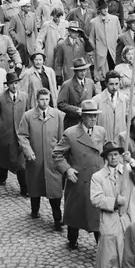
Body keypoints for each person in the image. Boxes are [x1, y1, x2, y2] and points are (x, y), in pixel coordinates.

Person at [89, 141, 135, 268]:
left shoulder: (128, 170)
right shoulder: (98, 177)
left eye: (116, 154)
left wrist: (132, 162)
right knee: (109, 255)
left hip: (130, 217)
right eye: (110, 155)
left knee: (130, 256)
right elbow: (95, 198)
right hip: (110, 220)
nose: (114, 157)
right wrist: (115, 201)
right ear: (106, 158)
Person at [54, 98, 107, 252]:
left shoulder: (100, 131)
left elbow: (106, 150)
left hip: (97, 180)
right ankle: (72, 240)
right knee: (75, 214)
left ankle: (102, 246)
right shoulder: (70, 134)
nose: (93, 119)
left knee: (97, 215)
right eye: (90, 116)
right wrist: (67, 170)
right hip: (78, 181)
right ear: (82, 116)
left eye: (95, 116)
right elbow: (57, 154)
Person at [18, 88, 67, 229]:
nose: (44, 102)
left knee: (55, 192)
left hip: (52, 161)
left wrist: (60, 154)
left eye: (47, 99)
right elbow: (22, 135)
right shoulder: (28, 116)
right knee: (35, 187)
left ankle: (58, 220)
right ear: (37, 100)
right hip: (36, 159)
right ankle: (35, 210)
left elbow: (62, 137)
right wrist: (28, 151)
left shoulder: (58, 115)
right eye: (42, 99)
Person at [88, 0, 122, 84]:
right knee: (103, 75)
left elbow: (120, 35)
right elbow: (91, 39)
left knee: (115, 71)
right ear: (99, 9)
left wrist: (117, 46)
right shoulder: (94, 22)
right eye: (103, 8)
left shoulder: (115, 19)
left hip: (113, 50)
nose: (105, 10)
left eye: (106, 7)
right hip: (101, 52)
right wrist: (97, 49)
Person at [56, 57, 96, 129]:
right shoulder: (67, 85)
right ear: (75, 71)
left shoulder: (90, 83)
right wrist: (76, 110)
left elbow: (94, 99)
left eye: (84, 70)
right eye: (80, 71)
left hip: (87, 121)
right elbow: (60, 104)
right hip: (73, 122)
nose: (83, 73)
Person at [93, 70, 130, 138]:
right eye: (111, 84)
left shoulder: (125, 99)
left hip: (120, 140)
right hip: (104, 140)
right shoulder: (97, 100)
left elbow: (128, 121)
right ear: (106, 84)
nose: (114, 87)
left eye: (116, 84)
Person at [52, 21, 89, 85]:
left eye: (77, 32)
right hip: (69, 73)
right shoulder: (62, 44)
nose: (75, 34)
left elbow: (90, 49)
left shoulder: (82, 41)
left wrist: (85, 37)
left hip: (82, 72)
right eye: (73, 31)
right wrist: (58, 75)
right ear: (69, 31)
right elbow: (58, 61)